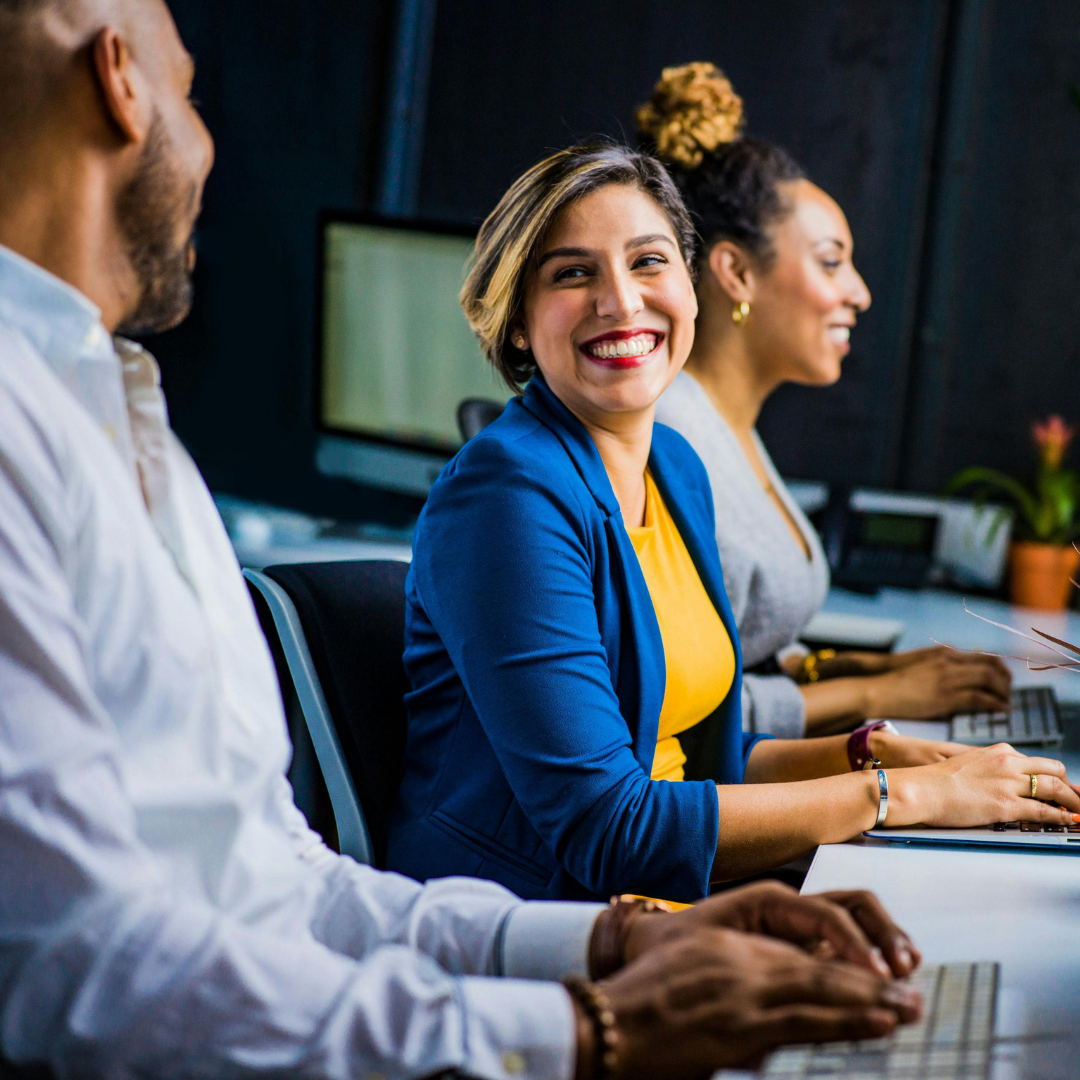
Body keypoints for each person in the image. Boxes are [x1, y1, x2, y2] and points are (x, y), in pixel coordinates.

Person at [0, 2, 934, 1078]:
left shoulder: (121, 416)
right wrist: (590, 1026)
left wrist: (621, 946)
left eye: (646, 262)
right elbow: (81, 970)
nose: (208, 146)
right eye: (192, 93)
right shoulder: (35, 431)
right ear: (120, 81)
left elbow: (278, 885)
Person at [388, 139, 1080, 905]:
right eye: (573, 273)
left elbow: (704, 759)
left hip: (670, 895)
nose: (620, 300)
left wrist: (884, 756)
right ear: (517, 322)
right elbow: (607, 827)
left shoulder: (676, 468)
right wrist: (899, 795)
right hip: (533, 922)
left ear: (690, 285)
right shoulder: (507, 495)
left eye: (649, 262)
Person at [641, 62, 1012, 739]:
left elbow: (744, 652)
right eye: (831, 261)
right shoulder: (670, 440)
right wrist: (881, 695)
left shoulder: (729, 428)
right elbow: (680, 714)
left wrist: (865, 671)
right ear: (736, 271)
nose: (860, 293)